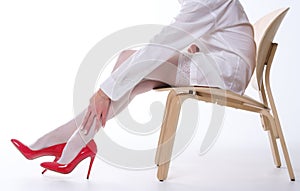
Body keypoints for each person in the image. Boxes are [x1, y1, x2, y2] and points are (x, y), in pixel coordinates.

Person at [11, 0, 256, 179]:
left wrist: (104, 91)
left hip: (224, 73)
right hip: (214, 62)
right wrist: (191, 48)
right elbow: (216, 33)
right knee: (129, 59)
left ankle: (67, 142)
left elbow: (161, 44)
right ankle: (73, 141)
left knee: (137, 65)